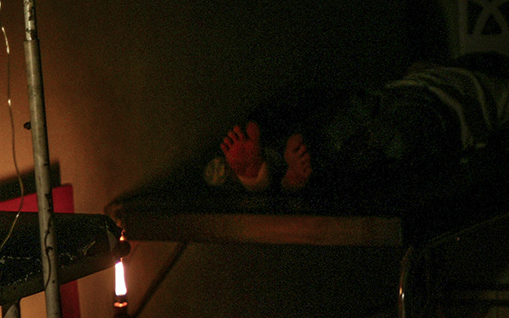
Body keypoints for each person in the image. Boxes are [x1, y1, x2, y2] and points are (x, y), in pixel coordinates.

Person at [212, 52, 509, 196]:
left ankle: (275, 167)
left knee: (379, 135)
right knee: (356, 123)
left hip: (432, 113)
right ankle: (281, 165)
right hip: (425, 108)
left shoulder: (484, 76)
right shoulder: (481, 76)